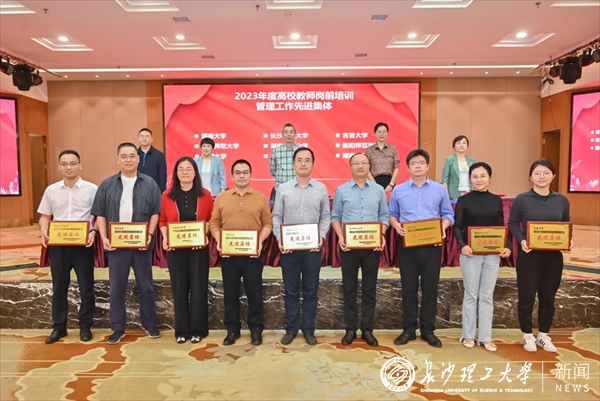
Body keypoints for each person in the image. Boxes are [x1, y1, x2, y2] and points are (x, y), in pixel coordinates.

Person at [91, 142, 162, 344]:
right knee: (116, 288)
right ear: (117, 159)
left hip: (141, 245)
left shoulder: (150, 183)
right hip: (116, 246)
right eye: (124, 156)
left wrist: (150, 234)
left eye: (132, 156)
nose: (128, 160)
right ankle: (117, 328)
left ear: (138, 159)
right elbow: (100, 214)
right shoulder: (107, 184)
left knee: (146, 286)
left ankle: (150, 324)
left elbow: (156, 212)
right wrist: (104, 237)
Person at [389, 149, 454, 348]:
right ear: (408, 167)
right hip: (408, 245)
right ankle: (409, 329)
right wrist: (396, 225)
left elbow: (448, 214)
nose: (417, 166)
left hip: (431, 245)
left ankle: (428, 330)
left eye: (421, 163)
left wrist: (443, 227)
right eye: (413, 163)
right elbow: (392, 214)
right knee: (408, 288)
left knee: (430, 288)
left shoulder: (439, 190)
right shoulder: (398, 190)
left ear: (427, 166)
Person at [508, 159, 571, 353]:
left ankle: (543, 335)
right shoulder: (522, 199)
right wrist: (521, 240)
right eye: (537, 173)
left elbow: (566, 225)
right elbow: (512, 223)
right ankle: (527, 334)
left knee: (548, 297)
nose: (541, 177)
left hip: (553, 257)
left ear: (553, 176)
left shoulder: (561, 200)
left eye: (545, 173)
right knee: (526, 296)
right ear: (530, 177)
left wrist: (569, 240)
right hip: (529, 256)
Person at [210, 159, 273, 346]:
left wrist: (260, 242)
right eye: (238, 172)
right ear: (232, 176)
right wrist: (219, 241)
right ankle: (232, 330)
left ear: (251, 175)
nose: (242, 176)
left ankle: (256, 330)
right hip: (229, 255)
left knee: (255, 293)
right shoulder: (222, 198)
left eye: (245, 172)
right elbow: (214, 223)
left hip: (253, 254)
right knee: (230, 293)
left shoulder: (260, 198)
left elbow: (267, 224)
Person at [38, 150, 98, 344]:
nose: (68, 167)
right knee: (59, 287)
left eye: (72, 163)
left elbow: (99, 217)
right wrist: (44, 230)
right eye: (64, 164)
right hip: (59, 246)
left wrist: (93, 231)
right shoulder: (51, 190)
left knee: (86, 287)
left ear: (80, 165)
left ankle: (85, 326)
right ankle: (59, 327)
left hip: (83, 245)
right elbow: (45, 216)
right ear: (59, 167)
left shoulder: (92, 189)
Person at [272, 147, 331, 346]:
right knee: (291, 291)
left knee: (311, 291)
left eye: (307, 160)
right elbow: (277, 217)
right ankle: (291, 329)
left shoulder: (321, 189)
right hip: (289, 249)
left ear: (313, 164)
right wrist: (280, 238)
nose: (303, 163)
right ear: (293, 164)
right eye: (299, 160)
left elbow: (326, 216)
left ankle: (308, 330)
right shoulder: (283, 189)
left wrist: (321, 236)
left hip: (313, 249)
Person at [331, 153, 389, 347]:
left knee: (369, 289)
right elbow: (335, 217)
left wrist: (381, 234)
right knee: (349, 289)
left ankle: (367, 330)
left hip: (372, 246)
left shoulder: (378, 190)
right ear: (350, 167)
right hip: (349, 247)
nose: (360, 166)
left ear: (369, 166)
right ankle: (350, 329)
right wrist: (341, 236)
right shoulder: (341, 190)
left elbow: (384, 216)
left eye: (364, 162)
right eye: (356, 163)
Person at [453, 162, 511, 352]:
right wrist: (463, 246)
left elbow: (500, 227)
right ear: (470, 178)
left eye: (483, 176)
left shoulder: (496, 200)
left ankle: (486, 337)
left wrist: (506, 246)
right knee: (471, 295)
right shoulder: (464, 200)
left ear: (490, 177)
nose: (479, 180)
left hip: (492, 255)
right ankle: (468, 334)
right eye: (475, 176)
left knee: (486, 296)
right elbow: (457, 227)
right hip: (471, 254)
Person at [159, 156, 213, 344]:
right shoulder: (167, 195)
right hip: (176, 250)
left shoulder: (205, 194)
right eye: (181, 169)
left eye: (189, 169)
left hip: (199, 248)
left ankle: (198, 330)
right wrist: (166, 237)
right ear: (176, 173)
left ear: (195, 172)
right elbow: (163, 221)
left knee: (199, 288)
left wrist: (204, 234)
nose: (185, 172)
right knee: (179, 289)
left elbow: (210, 219)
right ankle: (181, 330)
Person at [364, 122, 399, 193]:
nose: (381, 134)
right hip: (373, 182)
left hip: (389, 183)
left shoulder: (393, 149)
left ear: (387, 133)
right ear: (375, 133)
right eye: (379, 132)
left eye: (384, 131)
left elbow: (396, 167)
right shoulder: (369, 150)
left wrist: (391, 184)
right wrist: (374, 185)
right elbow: (366, 168)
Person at [269, 123, 300, 200]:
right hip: (280, 190)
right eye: (286, 132)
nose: (289, 134)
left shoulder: (301, 150)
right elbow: (272, 170)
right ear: (282, 134)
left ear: (295, 134)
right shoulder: (276, 151)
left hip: (298, 189)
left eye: (291, 132)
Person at [441, 135, 475, 200]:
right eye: (458, 143)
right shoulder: (449, 160)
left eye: (464, 143)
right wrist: (446, 195)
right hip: (454, 194)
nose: (461, 145)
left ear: (467, 146)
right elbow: (445, 179)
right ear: (454, 147)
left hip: (470, 191)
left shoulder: (471, 160)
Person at [137, 128, 167, 192]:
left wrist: (161, 192)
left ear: (151, 139)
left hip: (153, 191)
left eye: (147, 136)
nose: (144, 139)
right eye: (142, 136)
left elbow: (162, 176)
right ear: (138, 139)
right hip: (137, 190)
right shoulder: (134, 154)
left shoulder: (159, 155)